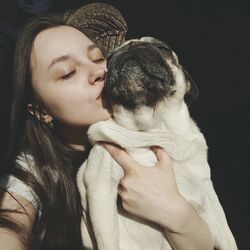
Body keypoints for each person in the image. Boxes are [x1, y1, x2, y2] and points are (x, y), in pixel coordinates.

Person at [0, 2, 236, 250]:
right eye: (68, 72)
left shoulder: (160, 137)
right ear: (40, 111)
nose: (97, 71)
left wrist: (179, 216)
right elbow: (10, 223)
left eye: (98, 57)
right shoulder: (34, 170)